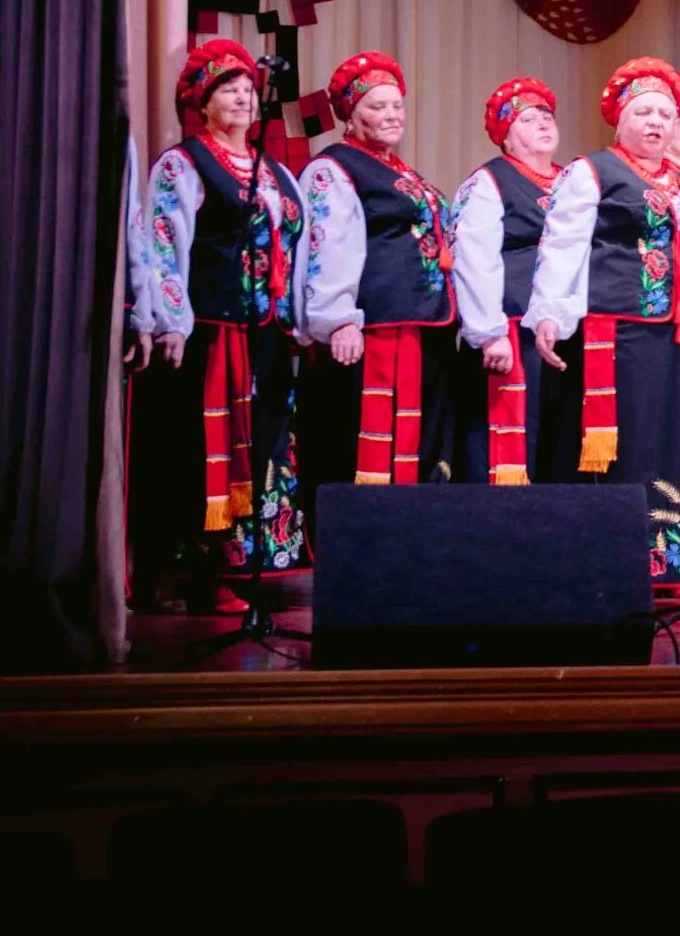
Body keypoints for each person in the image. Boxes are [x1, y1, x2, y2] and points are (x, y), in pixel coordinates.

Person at [525, 59, 680, 587]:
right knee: (630, 444)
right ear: (619, 119)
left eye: (664, 114)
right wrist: (550, 313)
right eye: (643, 112)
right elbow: (563, 243)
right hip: (618, 334)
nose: (656, 122)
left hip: (676, 336)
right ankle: (616, 567)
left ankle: (669, 566)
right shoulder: (592, 171)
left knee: (673, 444)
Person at [126, 40, 308, 613]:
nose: (242, 97)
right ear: (202, 103)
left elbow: (295, 250)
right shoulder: (184, 164)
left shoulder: (274, 171)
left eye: (249, 88)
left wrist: (299, 321)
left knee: (262, 445)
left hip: (264, 333)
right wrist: (170, 321)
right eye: (228, 89)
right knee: (197, 448)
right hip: (208, 331)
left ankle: (243, 566)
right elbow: (163, 244)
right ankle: (186, 571)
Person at [297, 52, 459, 508]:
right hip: (374, 329)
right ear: (350, 116)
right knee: (367, 434)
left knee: (421, 440)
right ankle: (364, 532)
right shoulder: (335, 168)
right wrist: (337, 319)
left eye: (396, 105)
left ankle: (414, 529)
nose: (391, 115)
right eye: (377, 106)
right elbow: (329, 244)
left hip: (424, 325)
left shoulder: (400, 170)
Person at [448, 77, 562, 485]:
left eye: (546, 116)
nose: (543, 123)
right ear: (506, 138)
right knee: (506, 441)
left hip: (562, 334)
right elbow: (472, 258)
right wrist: (488, 332)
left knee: (554, 438)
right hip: (511, 332)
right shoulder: (489, 181)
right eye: (528, 120)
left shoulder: (573, 180)